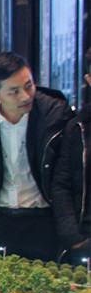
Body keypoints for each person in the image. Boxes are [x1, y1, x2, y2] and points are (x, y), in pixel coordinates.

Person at [0, 52, 73, 261]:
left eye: (29, 86)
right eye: (14, 92)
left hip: (43, 219)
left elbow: (68, 171)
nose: (26, 96)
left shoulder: (54, 114)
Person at [51, 47, 90, 266]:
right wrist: (74, 237)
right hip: (85, 238)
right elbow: (61, 184)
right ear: (88, 79)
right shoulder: (77, 127)